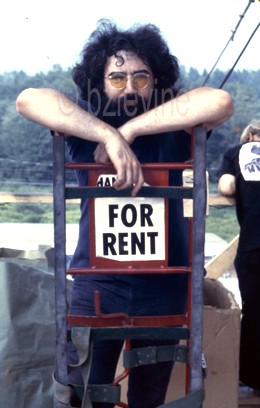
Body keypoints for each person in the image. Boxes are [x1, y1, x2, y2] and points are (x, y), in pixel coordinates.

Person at [16, 20, 233, 408]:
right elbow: (30, 99)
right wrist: (106, 134)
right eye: (116, 78)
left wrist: (128, 131)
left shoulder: (172, 128)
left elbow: (218, 102)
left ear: (157, 80)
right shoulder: (85, 128)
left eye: (140, 77)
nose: (129, 87)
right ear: (99, 83)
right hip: (96, 285)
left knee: (149, 398)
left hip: (163, 286)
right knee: (88, 394)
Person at [218, 120, 260, 397]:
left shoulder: (237, 152)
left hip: (253, 244)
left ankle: (251, 376)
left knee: (254, 314)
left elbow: (227, 187)